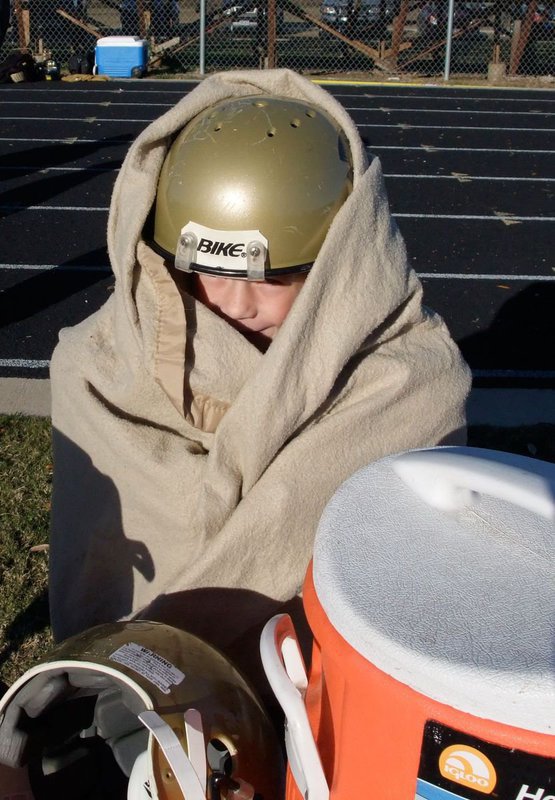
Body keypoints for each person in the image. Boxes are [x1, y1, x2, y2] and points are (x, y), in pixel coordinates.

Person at [49, 69, 471, 688]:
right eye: (202, 276)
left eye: (271, 277)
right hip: (111, 703)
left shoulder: (409, 385)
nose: (234, 304)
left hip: (298, 705)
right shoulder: (102, 363)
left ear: (340, 259)